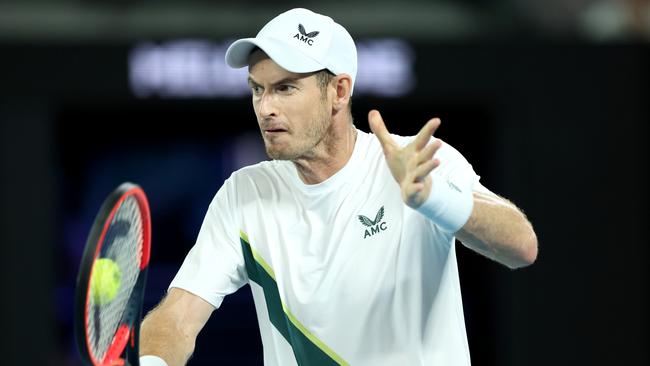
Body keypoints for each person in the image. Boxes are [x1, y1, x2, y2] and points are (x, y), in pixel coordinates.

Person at [138, 8, 538, 366]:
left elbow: (521, 246)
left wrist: (435, 198)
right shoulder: (245, 195)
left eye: (286, 88)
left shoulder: (417, 161)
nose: (265, 107)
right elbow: (178, 317)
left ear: (339, 91)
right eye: (257, 89)